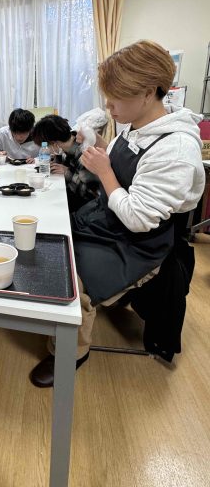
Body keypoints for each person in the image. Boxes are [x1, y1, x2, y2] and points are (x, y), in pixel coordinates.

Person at [30, 40, 205, 387]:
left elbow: (139, 218)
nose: (108, 106)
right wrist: (95, 143)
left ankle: (71, 352)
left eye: (115, 98)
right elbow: (110, 144)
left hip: (136, 241)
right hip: (107, 221)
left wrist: (105, 171)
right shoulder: (134, 123)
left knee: (69, 276)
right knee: (49, 239)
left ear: (148, 93)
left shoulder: (176, 148)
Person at [32, 115, 100, 212]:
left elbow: (92, 194)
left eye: (45, 146)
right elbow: (64, 161)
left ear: (54, 144)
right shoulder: (68, 144)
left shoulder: (84, 154)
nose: (45, 149)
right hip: (68, 195)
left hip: (83, 207)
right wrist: (55, 159)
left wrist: (68, 173)